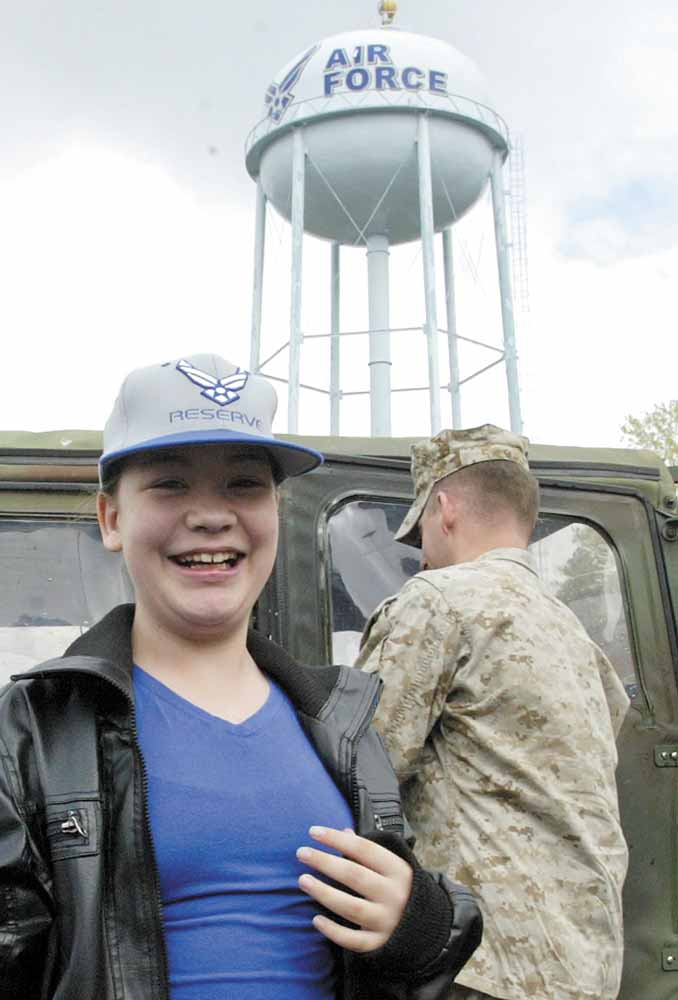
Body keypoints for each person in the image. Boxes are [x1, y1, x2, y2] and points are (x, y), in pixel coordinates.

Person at [0, 354, 481, 1000]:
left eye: (244, 485)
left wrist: (419, 929)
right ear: (111, 519)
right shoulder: (34, 729)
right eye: (170, 484)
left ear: (276, 510)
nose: (211, 515)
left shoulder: (343, 723)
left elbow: (397, 960)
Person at [355, 424, 630, 1000]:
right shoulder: (577, 635)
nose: (422, 554)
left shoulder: (437, 600)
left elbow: (362, 760)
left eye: (420, 531)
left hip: (484, 963)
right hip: (587, 964)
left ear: (444, 508)